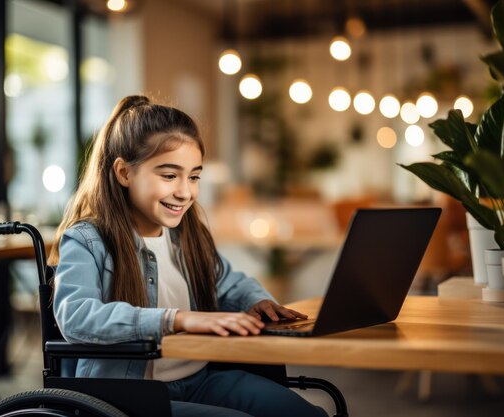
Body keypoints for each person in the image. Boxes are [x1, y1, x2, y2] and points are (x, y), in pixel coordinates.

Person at [48, 95, 328, 417]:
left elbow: (229, 284)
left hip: (199, 379)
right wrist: (176, 318)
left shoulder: (188, 236)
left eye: (194, 176)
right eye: (169, 176)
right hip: (130, 397)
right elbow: (76, 317)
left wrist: (256, 300)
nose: (185, 192)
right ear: (124, 173)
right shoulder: (87, 239)